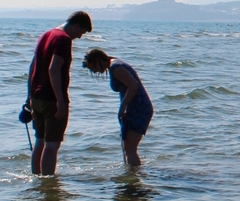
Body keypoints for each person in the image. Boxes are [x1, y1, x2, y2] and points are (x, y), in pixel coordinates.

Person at [27, 11, 92, 175]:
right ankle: (48, 187)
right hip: (52, 99)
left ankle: (37, 180)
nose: (80, 37)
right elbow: (54, 70)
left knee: (39, 142)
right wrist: (60, 100)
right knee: (52, 145)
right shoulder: (63, 39)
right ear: (77, 25)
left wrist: (29, 96)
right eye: (81, 32)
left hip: (36, 96)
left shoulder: (46, 35)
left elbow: (32, 67)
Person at [84, 48, 153, 168]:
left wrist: (122, 107)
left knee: (130, 149)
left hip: (138, 107)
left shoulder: (116, 67)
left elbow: (133, 85)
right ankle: (130, 177)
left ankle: (133, 181)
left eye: (92, 68)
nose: (94, 72)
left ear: (97, 60)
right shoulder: (114, 65)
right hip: (134, 107)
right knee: (126, 147)